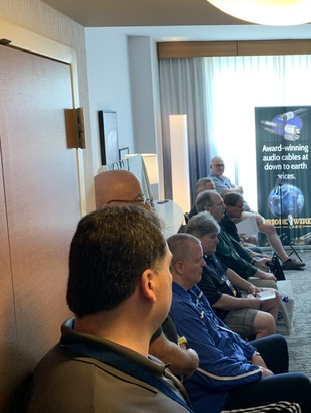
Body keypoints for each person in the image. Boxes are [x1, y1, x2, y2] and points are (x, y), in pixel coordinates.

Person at [25, 206, 192, 413]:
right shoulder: (106, 402)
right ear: (149, 284)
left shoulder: (71, 355)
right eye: (167, 267)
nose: (170, 278)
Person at [167, 233, 311, 413]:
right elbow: (212, 372)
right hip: (217, 398)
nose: (204, 263)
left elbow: (222, 329)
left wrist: (252, 353)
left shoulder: (190, 289)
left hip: (229, 365)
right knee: (299, 387)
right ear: (180, 267)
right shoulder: (179, 309)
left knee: (277, 344)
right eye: (198, 260)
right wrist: (255, 371)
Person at [94, 169, 199, 380]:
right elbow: (160, 351)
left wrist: (179, 342)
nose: (148, 207)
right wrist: (191, 358)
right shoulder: (120, 268)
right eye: (139, 200)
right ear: (108, 210)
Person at [186, 212, 279, 339]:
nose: (217, 241)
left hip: (235, 297)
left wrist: (249, 286)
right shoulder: (197, 265)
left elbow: (226, 271)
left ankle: (264, 338)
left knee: (273, 296)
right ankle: (255, 347)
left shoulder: (209, 253)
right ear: (198, 239)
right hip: (224, 314)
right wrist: (247, 303)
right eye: (212, 237)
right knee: (266, 321)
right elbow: (218, 302)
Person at [195, 189, 277, 287]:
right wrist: (257, 272)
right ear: (208, 208)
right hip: (229, 279)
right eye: (220, 204)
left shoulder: (217, 222)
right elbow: (229, 257)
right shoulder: (208, 229)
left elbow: (233, 245)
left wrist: (254, 262)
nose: (225, 206)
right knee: (271, 284)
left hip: (232, 273)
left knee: (267, 268)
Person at [222, 192, 305, 270]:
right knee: (255, 225)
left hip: (234, 233)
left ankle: (285, 260)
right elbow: (236, 247)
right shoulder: (225, 222)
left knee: (269, 228)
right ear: (228, 207)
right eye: (240, 207)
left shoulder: (231, 214)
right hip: (230, 243)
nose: (242, 210)